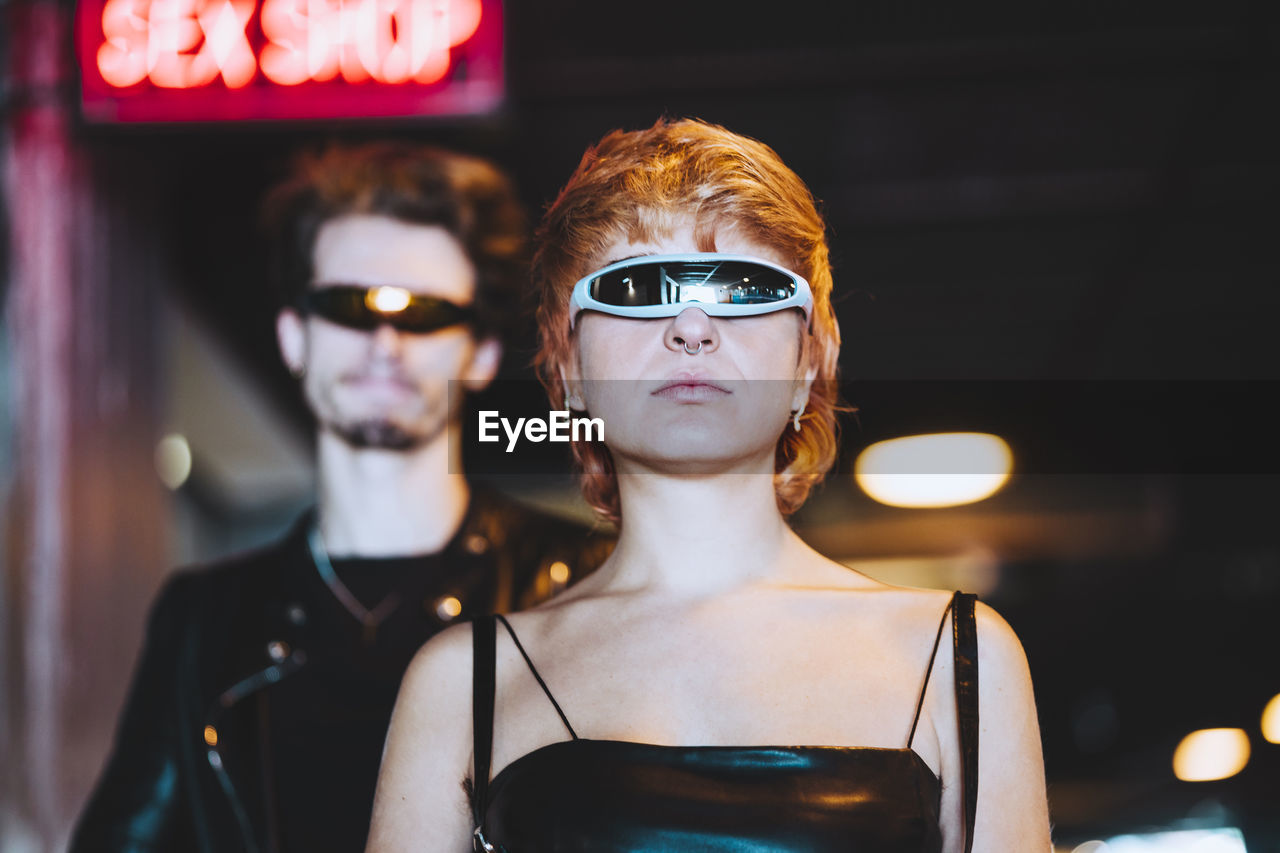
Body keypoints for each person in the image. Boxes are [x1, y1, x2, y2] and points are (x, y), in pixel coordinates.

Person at [366, 119, 1052, 852]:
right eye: (635, 287)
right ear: (568, 369)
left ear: (807, 364)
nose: (692, 327)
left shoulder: (962, 660)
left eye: (745, 289)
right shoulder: (464, 685)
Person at [70, 141, 612, 853]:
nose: (384, 339)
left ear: (479, 354)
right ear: (294, 337)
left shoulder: (583, 581)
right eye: (347, 305)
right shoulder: (203, 622)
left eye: (422, 312)